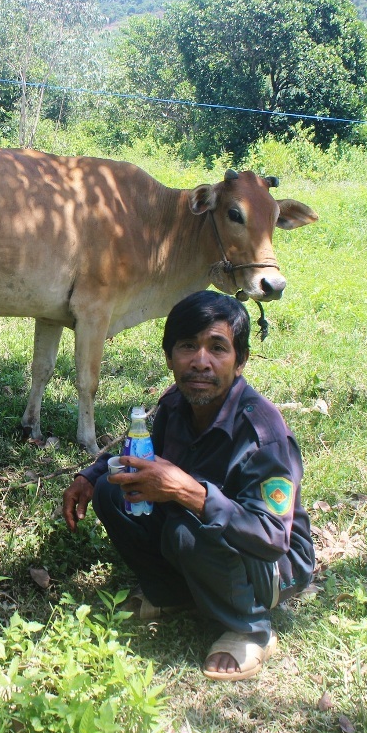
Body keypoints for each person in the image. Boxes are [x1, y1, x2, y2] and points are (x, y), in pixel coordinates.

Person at [62, 290, 315, 681]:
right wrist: (90, 477)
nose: (201, 362)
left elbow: (272, 537)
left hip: (274, 564)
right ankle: (173, 595)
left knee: (188, 531)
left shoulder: (262, 434)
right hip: (208, 532)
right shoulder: (176, 404)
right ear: (169, 358)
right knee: (115, 493)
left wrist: (186, 492)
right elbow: (141, 458)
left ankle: (251, 628)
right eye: (187, 346)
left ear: (241, 360)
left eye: (218, 348)